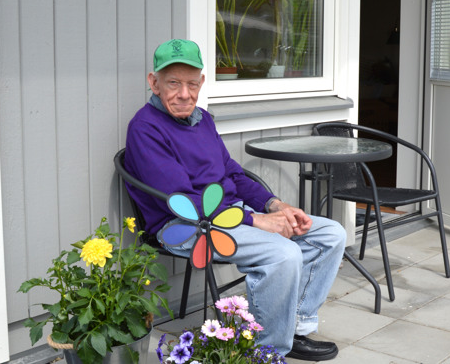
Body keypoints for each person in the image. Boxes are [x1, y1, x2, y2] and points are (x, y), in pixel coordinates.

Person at [124, 39, 346, 361]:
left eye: (190, 83)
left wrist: (276, 206)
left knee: (331, 234)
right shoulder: (146, 129)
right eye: (173, 83)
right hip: (184, 225)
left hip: (228, 215)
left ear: (201, 83)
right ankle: (266, 351)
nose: (183, 94)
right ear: (153, 83)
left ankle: (293, 326)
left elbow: (233, 174)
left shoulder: (203, 120)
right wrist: (255, 220)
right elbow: (182, 203)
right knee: (282, 253)